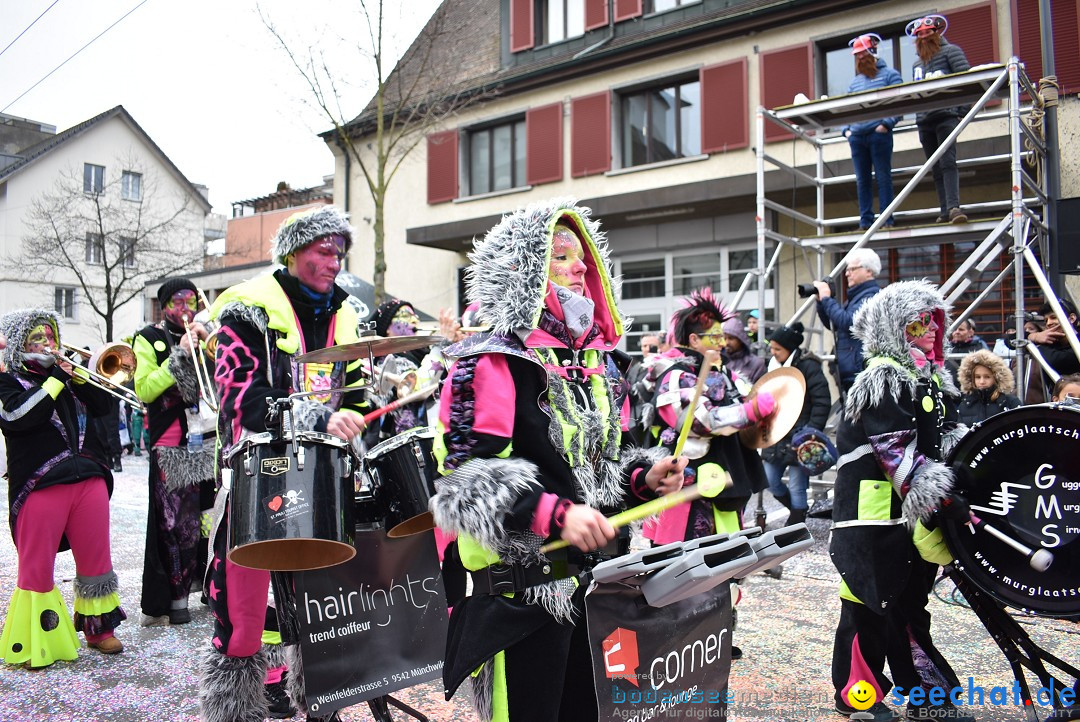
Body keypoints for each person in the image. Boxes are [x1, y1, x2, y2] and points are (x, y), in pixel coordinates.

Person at [429, 199, 687, 722]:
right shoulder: (488, 360)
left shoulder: (598, 364)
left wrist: (643, 477)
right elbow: (465, 478)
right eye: (560, 256)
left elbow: (602, 465)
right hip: (526, 592)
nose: (580, 267)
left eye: (582, 257)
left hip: (601, 584)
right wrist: (558, 516)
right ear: (523, 274)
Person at [198, 206, 371, 722]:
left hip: (322, 477)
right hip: (255, 475)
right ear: (293, 252)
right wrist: (319, 415)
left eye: (339, 253)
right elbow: (242, 399)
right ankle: (236, 707)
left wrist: (354, 417)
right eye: (324, 250)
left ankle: (318, 697)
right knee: (244, 612)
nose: (334, 262)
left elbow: (358, 393)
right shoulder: (247, 308)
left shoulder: (346, 315)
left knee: (320, 604)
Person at [829, 280, 975, 722]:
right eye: (918, 322)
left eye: (934, 320)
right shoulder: (883, 379)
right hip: (870, 516)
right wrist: (946, 496)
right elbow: (897, 452)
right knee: (866, 606)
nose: (930, 329)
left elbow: (947, 440)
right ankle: (857, 697)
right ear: (895, 329)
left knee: (910, 605)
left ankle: (926, 695)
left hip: (913, 511)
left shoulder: (931, 380)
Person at [0, 309, 126, 668]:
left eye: (51, 335)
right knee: (36, 566)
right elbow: (19, 417)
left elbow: (104, 406)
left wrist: (80, 379)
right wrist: (55, 379)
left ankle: (100, 630)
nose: (49, 344)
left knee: (96, 561)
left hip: (88, 476)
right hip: (40, 484)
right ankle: (36, 639)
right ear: (20, 345)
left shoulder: (69, 376)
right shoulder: (8, 382)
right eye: (38, 337)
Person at [132, 277, 217, 628]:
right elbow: (145, 388)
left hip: (208, 438)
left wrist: (211, 345)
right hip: (172, 443)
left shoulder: (205, 334)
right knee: (176, 524)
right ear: (165, 305)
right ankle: (176, 597)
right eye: (179, 302)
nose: (187, 308)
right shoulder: (148, 338)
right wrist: (180, 353)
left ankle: (211, 586)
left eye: (192, 300)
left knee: (212, 518)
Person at [760, 322, 832, 526]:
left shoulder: (809, 366)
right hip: (775, 432)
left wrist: (810, 431)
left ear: (789, 349)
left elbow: (821, 401)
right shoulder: (772, 366)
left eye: (777, 349)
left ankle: (796, 521)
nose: (773, 353)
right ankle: (796, 512)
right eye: (771, 348)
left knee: (797, 485)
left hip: (801, 434)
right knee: (771, 481)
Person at [909, 14, 971, 225]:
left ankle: (954, 207)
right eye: (920, 34)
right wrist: (918, 116)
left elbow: (967, 81)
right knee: (935, 167)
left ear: (937, 32)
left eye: (927, 33)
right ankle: (944, 209)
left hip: (946, 116)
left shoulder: (952, 52)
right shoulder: (917, 63)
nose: (924, 37)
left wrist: (961, 112)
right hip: (925, 121)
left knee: (947, 162)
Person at [842, 33, 904, 230]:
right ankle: (865, 221)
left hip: (879, 134)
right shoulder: (854, 83)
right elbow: (846, 108)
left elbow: (901, 103)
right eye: (857, 55)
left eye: (863, 54)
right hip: (857, 137)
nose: (860, 58)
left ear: (873, 52)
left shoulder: (890, 75)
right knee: (863, 181)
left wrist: (886, 124)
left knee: (883, 176)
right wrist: (846, 131)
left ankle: (887, 220)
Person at [815, 247, 883, 394]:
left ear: (868, 271)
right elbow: (835, 326)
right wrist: (821, 302)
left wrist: (827, 298)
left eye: (852, 269)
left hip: (861, 373)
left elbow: (849, 322)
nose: (847, 273)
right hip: (852, 372)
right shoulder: (857, 296)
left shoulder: (871, 296)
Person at [956, 349, 1021, 426]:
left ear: (996, 378)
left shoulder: (1010, 402)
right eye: (977, 377)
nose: (982, 381)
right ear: (972, 378)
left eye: (987, 377)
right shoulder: (965, 404)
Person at [1027, 298, 1080, 377]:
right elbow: (1011, 340)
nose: (1048, 323)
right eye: (1046, 320)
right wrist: (1033, 336)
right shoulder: (1052, 342)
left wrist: (1037, 345)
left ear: (1072, 318)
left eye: (1053, 317)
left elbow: (1056, 361)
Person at [722, 314, 765, 385]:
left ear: (740, 339)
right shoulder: (720, 361)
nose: (726, 343)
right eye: (724, 338)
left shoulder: (757, 363)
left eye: (731, 338)